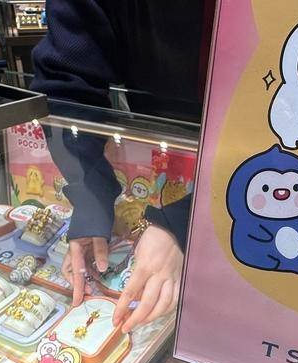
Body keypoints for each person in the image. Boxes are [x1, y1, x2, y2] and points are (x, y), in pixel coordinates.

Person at [30, 0, 212, 332]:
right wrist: (89, 193)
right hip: (164, 142)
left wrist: (182, 222)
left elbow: (293, 114)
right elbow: (66, 84)